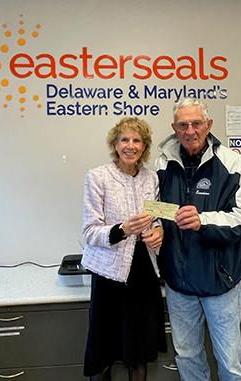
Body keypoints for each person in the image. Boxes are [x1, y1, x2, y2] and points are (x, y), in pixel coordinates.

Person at [155, 97, 241, 381]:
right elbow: (159, 208)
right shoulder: (163, 162)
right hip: (179, 282)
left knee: (230, 362)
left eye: (196, 123)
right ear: (174, 128)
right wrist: (154, 226)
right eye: (183, 125)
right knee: (187, 356)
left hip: (219, 280)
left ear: (208, 125)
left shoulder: (233, 162)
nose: (190, 131)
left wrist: (204, 221)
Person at [81, 117, 167, 381]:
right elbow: (89, 232)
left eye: (137, 140)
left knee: (138, 350)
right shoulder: (97, 177)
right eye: (124, 140)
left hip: (143, 274)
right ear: (115, 145)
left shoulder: (151, 178)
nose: (130, 146)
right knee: (104, 350)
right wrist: (123, 229)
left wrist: (159, 232)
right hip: (109, 276)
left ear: (144, 146)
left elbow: (158, 217)